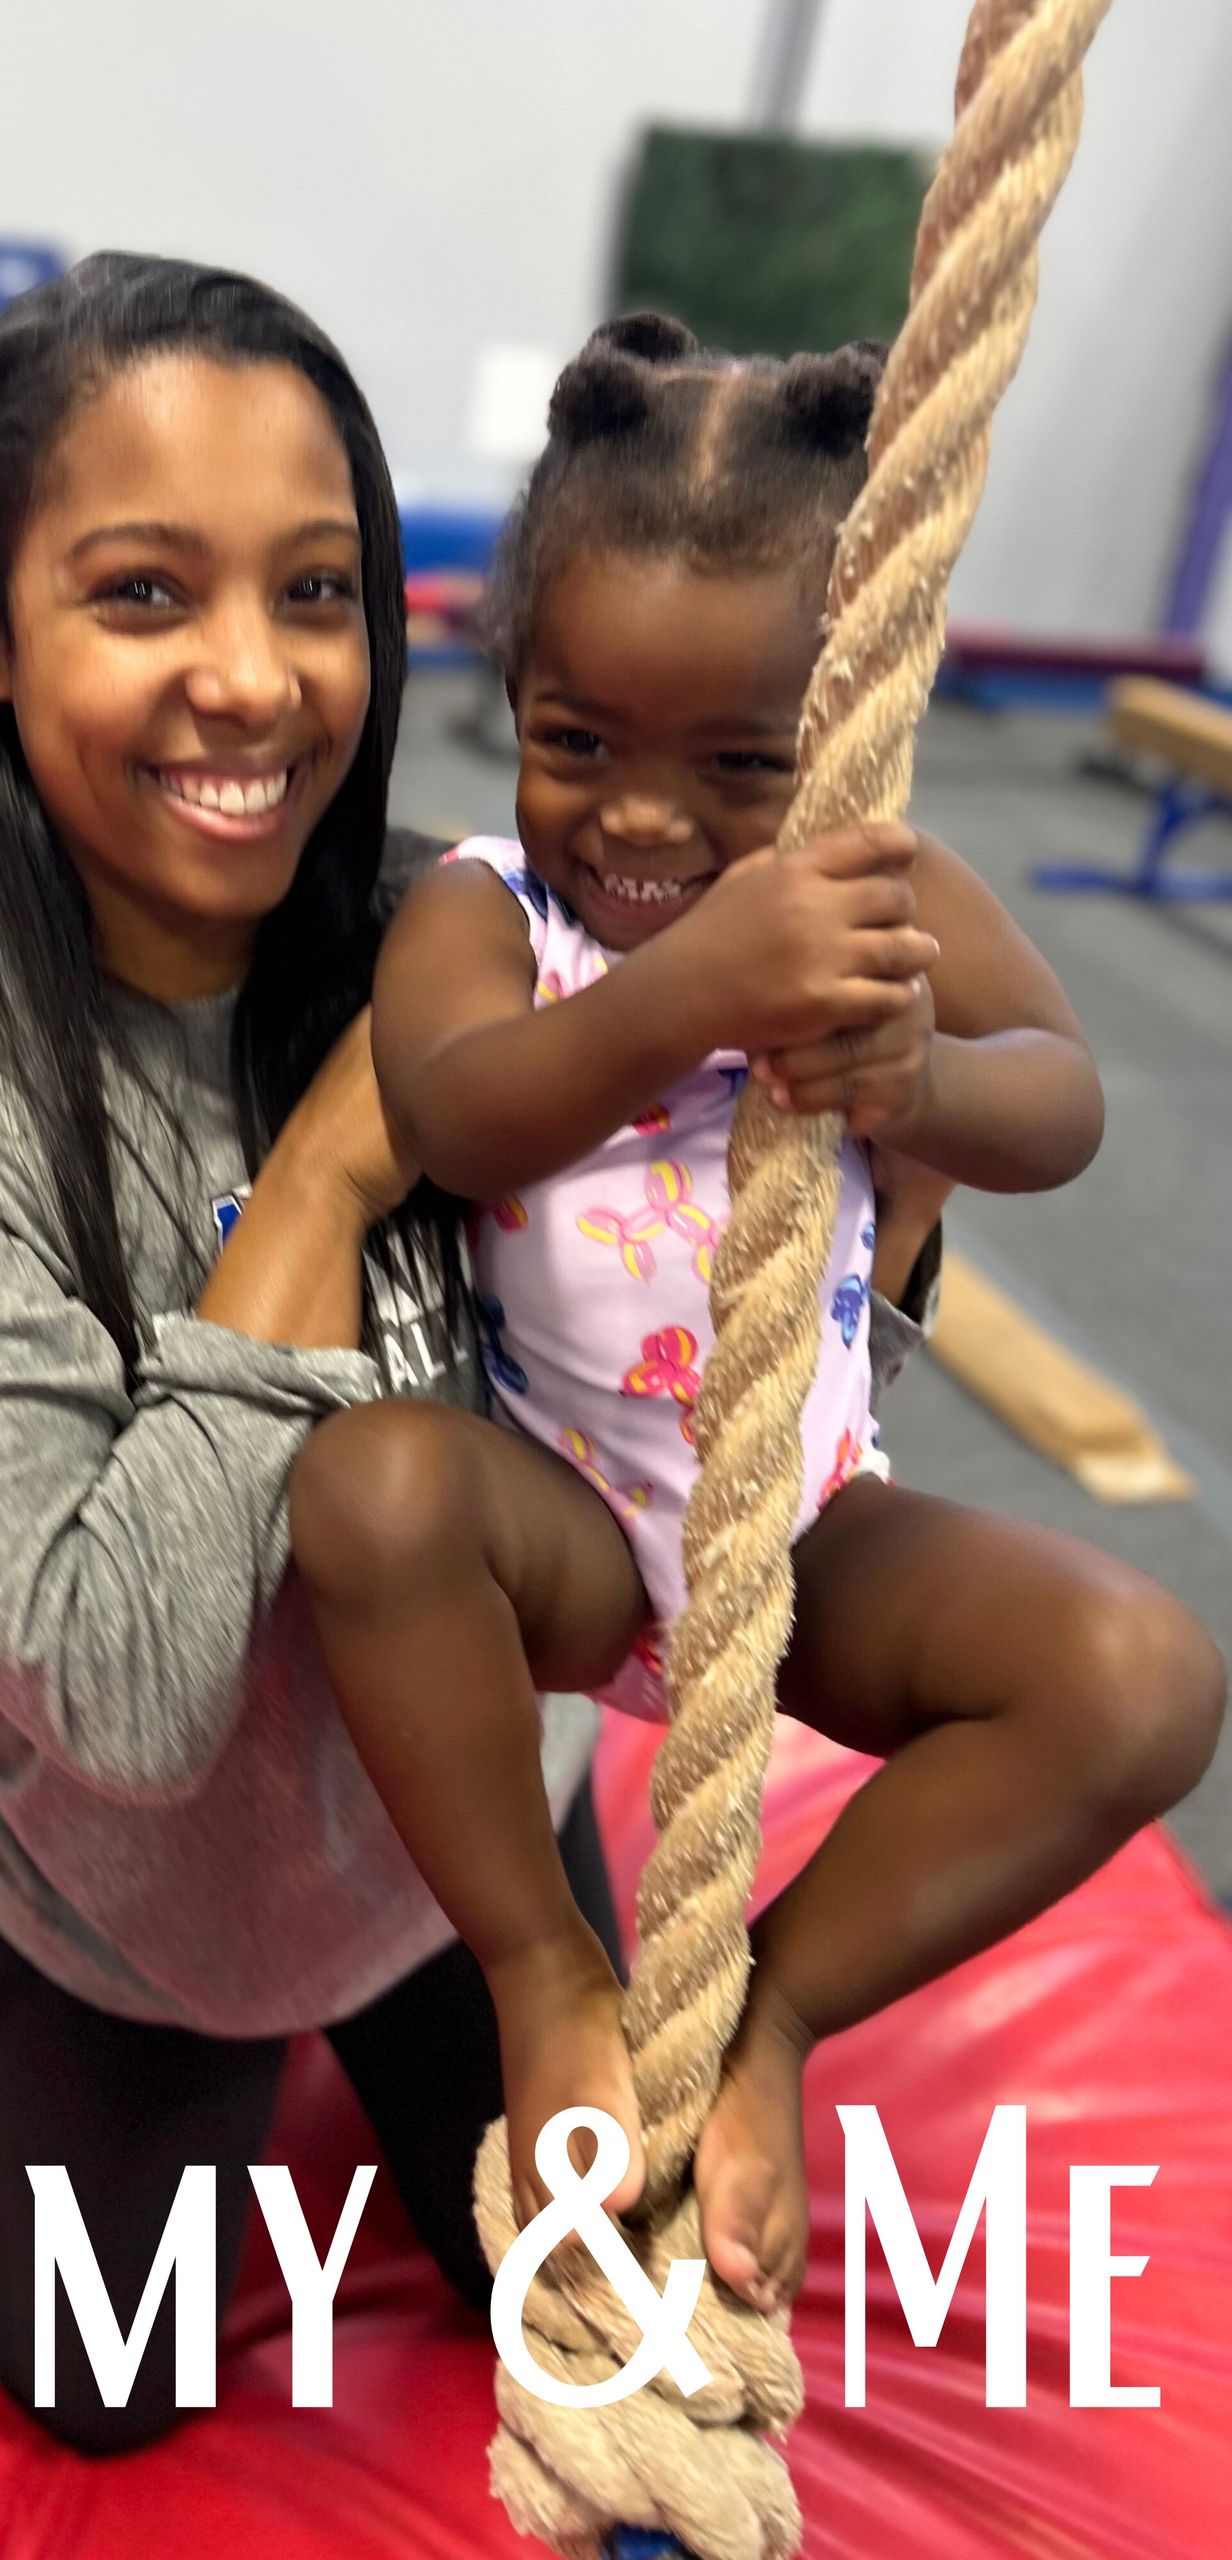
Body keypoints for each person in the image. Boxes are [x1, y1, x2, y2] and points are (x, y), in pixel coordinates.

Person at [0, 252, 623, 2453]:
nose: (254, 679)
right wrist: (313, 1187)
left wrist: (887, 1170)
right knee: (99, 2392)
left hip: (476, 1851)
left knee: (621, 2330)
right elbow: (125, 1694)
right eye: (145, 594)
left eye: (315, 591)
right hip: (130, 1892)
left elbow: (734, 1395)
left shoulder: (479, 946)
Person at [287, 313, 1227, 2317]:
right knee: (366, 1499)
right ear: (514, 698)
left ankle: (768, 2021)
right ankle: (550, 1966)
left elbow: (1059, 1085)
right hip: (551, 1516)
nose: (641, 818)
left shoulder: (876, 882)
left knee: (1141, 1675)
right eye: (580, 742)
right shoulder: (485, 905)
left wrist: (923, 1083)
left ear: (847, 742)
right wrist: (699, 983)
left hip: (797, 1532)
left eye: (739, 765)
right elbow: (459, 1115)